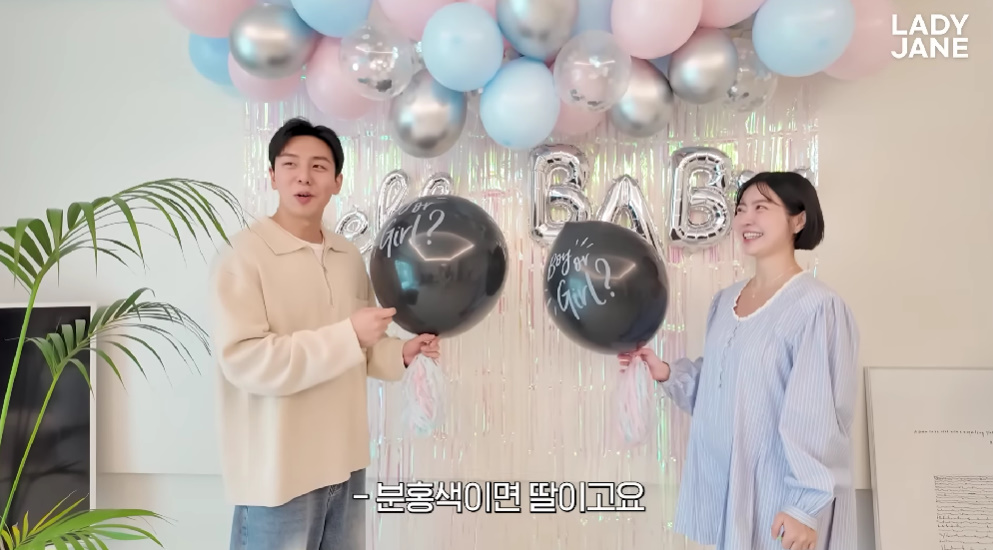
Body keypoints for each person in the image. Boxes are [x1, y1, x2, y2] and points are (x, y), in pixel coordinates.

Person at [209, 117, 440, 550]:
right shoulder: (243, 255)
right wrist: (348, 336)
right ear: (272, 175)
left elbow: (362, 347)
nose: (304, 176)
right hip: (279, 472)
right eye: (290, 164)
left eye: (318, 166)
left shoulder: (347, 255)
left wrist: (403, 352)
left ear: (337, 181)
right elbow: (246, 360)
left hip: (345, 463)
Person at [619, 172, 858, 550]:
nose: (747, 219)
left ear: (798, 220)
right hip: (731, 494)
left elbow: (819, 414)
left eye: (761, 208)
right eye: (741, 209)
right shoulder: (725, 300)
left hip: (783, 501)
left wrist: (804, 506)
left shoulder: (817, 307)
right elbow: (720, 390)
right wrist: (663, 371)